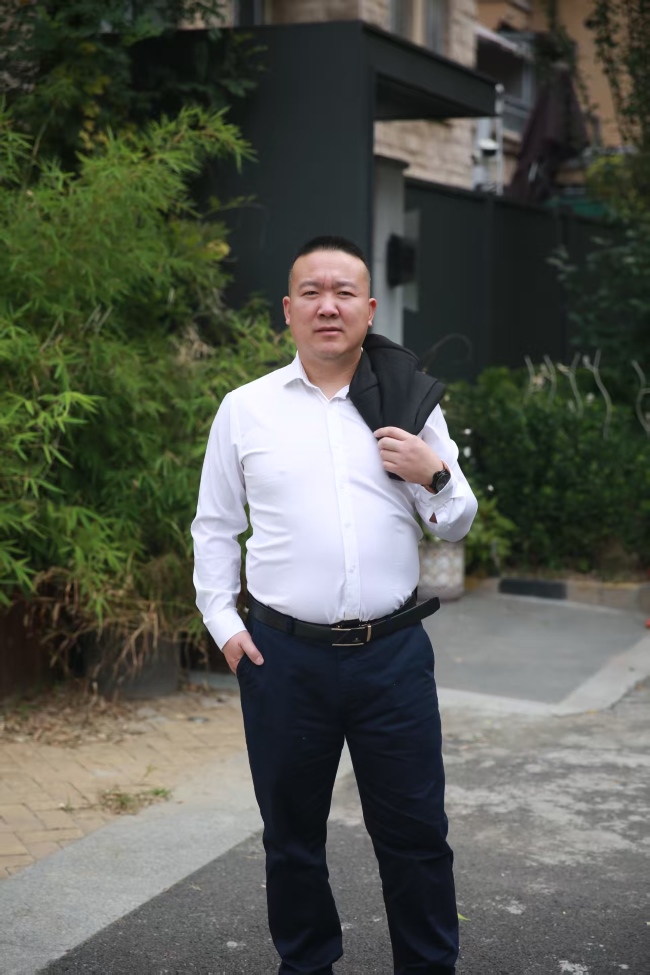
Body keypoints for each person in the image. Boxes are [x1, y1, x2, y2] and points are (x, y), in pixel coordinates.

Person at [191, 235, 477, 975]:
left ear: (369, 309)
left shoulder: (409, 405)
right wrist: (225, 626)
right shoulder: (246, 409)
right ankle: (307, 964)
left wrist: (434, 472)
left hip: (392, 657)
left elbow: (455, 520)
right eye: (312, 293)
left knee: (416, 834)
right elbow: (215, 526)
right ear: (288, 310)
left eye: (344, 292)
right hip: (283, 659)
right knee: (292, 839)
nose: (328, 306)